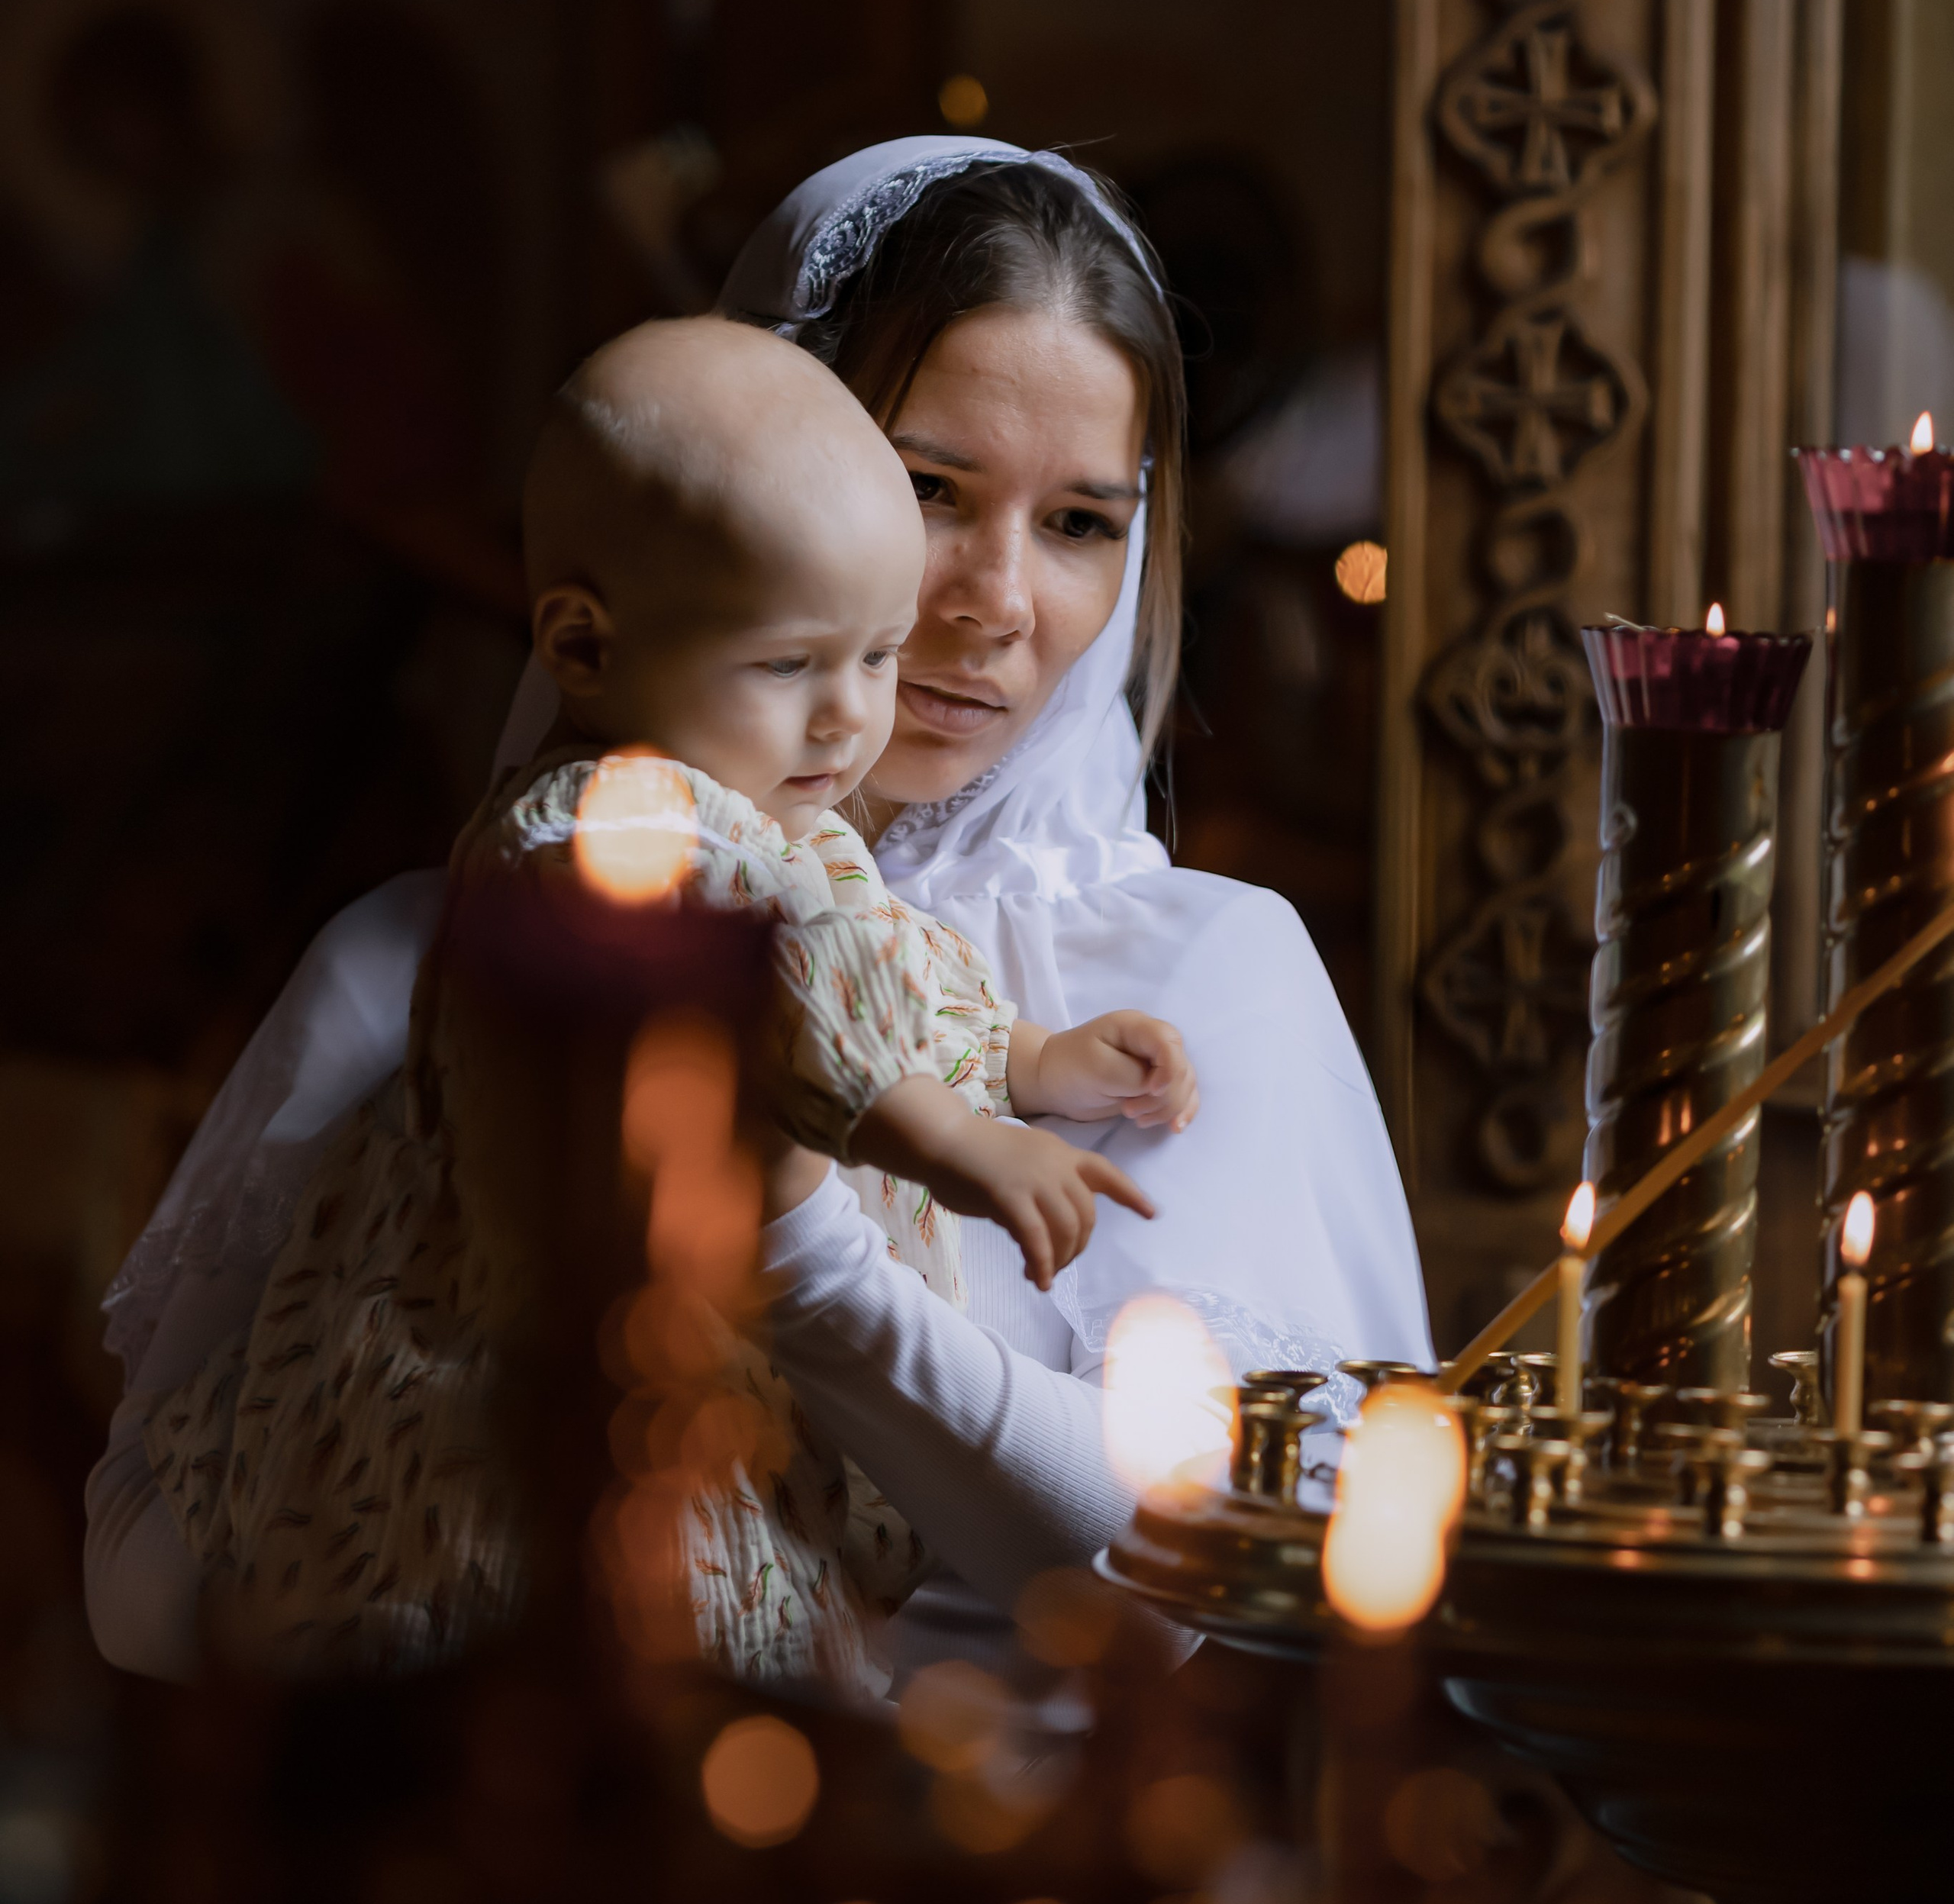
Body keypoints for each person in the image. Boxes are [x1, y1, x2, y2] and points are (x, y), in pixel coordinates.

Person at [86, 137, 1431, 1686]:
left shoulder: (1198, 979)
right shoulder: (437, 948)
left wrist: (793, 1240)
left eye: (1079, 522)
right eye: (928, 489)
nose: (996, 598)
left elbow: (1177, 1581)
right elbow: (136, 1555)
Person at [133, 316, 1195, 1693]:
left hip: (728, 1363)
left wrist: (1037, 1056)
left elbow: (881, 972)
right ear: (582, 644)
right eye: (789, 664)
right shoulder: (593, 829)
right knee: (634, 1609)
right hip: (537, 1364)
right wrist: (946, 1136)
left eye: (875, 658)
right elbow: (764, 1023)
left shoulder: (778, 813)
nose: (845, 721)